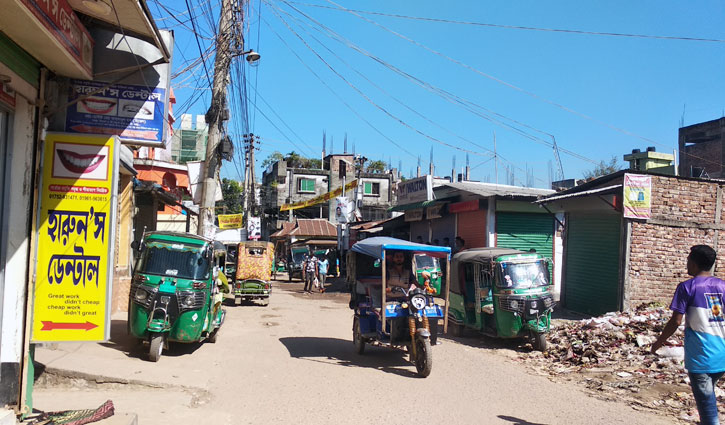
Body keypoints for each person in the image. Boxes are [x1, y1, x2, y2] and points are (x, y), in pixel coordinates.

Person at [651, 245, 725, 425]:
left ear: (693, 262)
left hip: (701, 357)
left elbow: (676, 321)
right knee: (709, 398)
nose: (686, 263)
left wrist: (659, 342)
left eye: (688, 260)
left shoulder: (686, 287)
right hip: (721, 355)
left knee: (707, 408)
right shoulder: (722, 285)